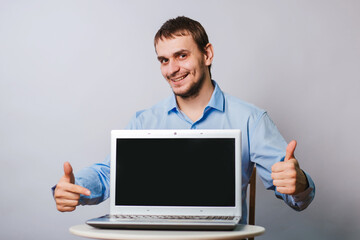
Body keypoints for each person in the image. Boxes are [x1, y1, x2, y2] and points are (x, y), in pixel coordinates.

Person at [53, 16, 315, 223]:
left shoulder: (250, 120)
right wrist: (74, 187)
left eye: (182, 55)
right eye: (164, 60)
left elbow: (297, 194)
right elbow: (108, 174)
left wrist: (298, 182)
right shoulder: (145, 121)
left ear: (207, 54)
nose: (172, 69)